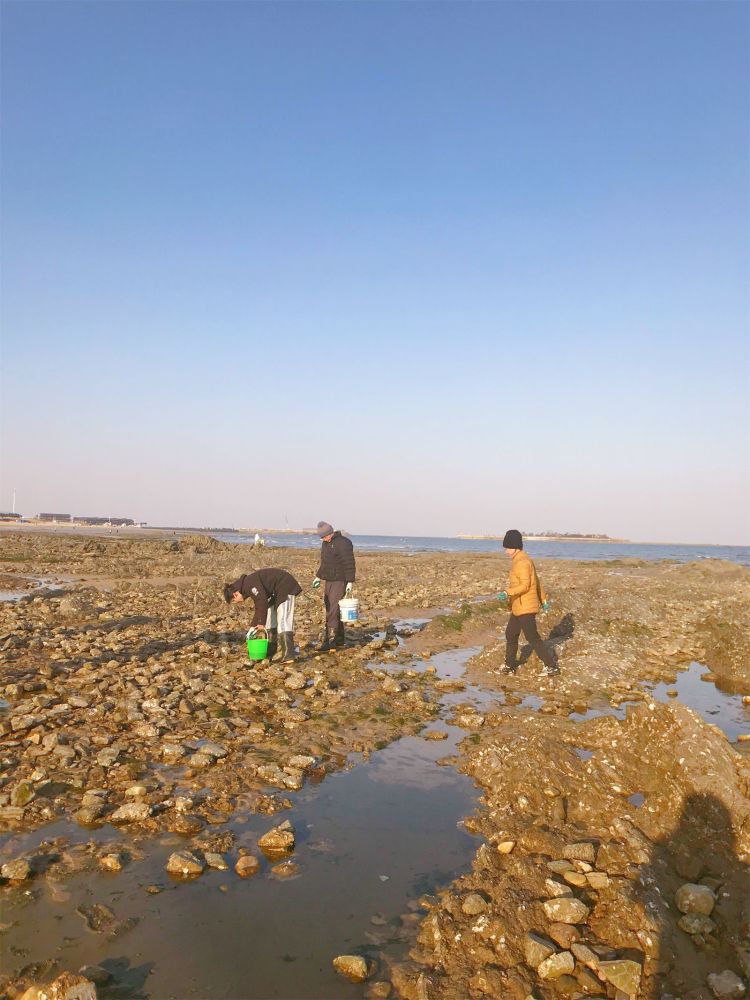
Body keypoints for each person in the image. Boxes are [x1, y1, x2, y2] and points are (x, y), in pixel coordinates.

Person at [497, 529, 559, 676]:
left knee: (532, 638)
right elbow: (537, 583)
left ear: (515, 547)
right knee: (511, 634)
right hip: (518, 607)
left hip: (525, 607)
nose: (506, 551)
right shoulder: (522, 560)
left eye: (508, 547)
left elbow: (525, 586)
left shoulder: (522, 562)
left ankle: (551, 666)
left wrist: (507, 592)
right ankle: (510, 665)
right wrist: (543, 600)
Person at [223, 568, 302, 662]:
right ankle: (271, 650)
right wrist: (253, 626)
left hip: (285, 586)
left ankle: (289, 655)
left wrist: (260, 623)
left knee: (283, 620)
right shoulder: (246, 586)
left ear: (235, 594)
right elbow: (258, 606)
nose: (236, 602)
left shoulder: (249, 584)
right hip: (275, 592)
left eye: (234, 601)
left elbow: (262, 600)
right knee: (269, 620)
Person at [312, 521, 356, 651]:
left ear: (330, 532)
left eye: (324, 536)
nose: (323, 539)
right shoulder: (325, 544)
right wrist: (318, 576)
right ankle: (339, 639)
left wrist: (350, 582)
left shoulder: (343, 543)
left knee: (333, 609)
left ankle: (330, 641)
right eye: (321, 537)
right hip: (329, 580)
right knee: (331, 607)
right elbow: (325, 563)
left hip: (340, 580)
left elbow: (349, 563)